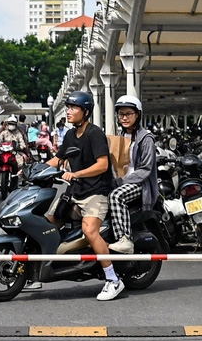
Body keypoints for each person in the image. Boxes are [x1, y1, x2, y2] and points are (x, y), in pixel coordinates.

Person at [57, 90, 122, 300]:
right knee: (50, 219)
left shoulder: (95, 134)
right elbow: (58, 159)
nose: (68, 111)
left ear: (85, 112)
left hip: (95, 192)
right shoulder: (69, 135)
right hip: (75, 191)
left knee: (90, 230)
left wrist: (76, 173)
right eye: (68, 107)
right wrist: (33, 170)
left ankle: (113, 279)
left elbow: (102, 165)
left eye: (73, 108)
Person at [106, 94, 157, 255]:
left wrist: (122, 181)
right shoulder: (119, 137)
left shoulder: (146, 139)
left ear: (138, 115)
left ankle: (125, 239)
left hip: (140, 184)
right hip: (119, 181)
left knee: (116, 196)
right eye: (121, 114)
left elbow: (145, 169)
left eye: (129, 114)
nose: (124, 118)